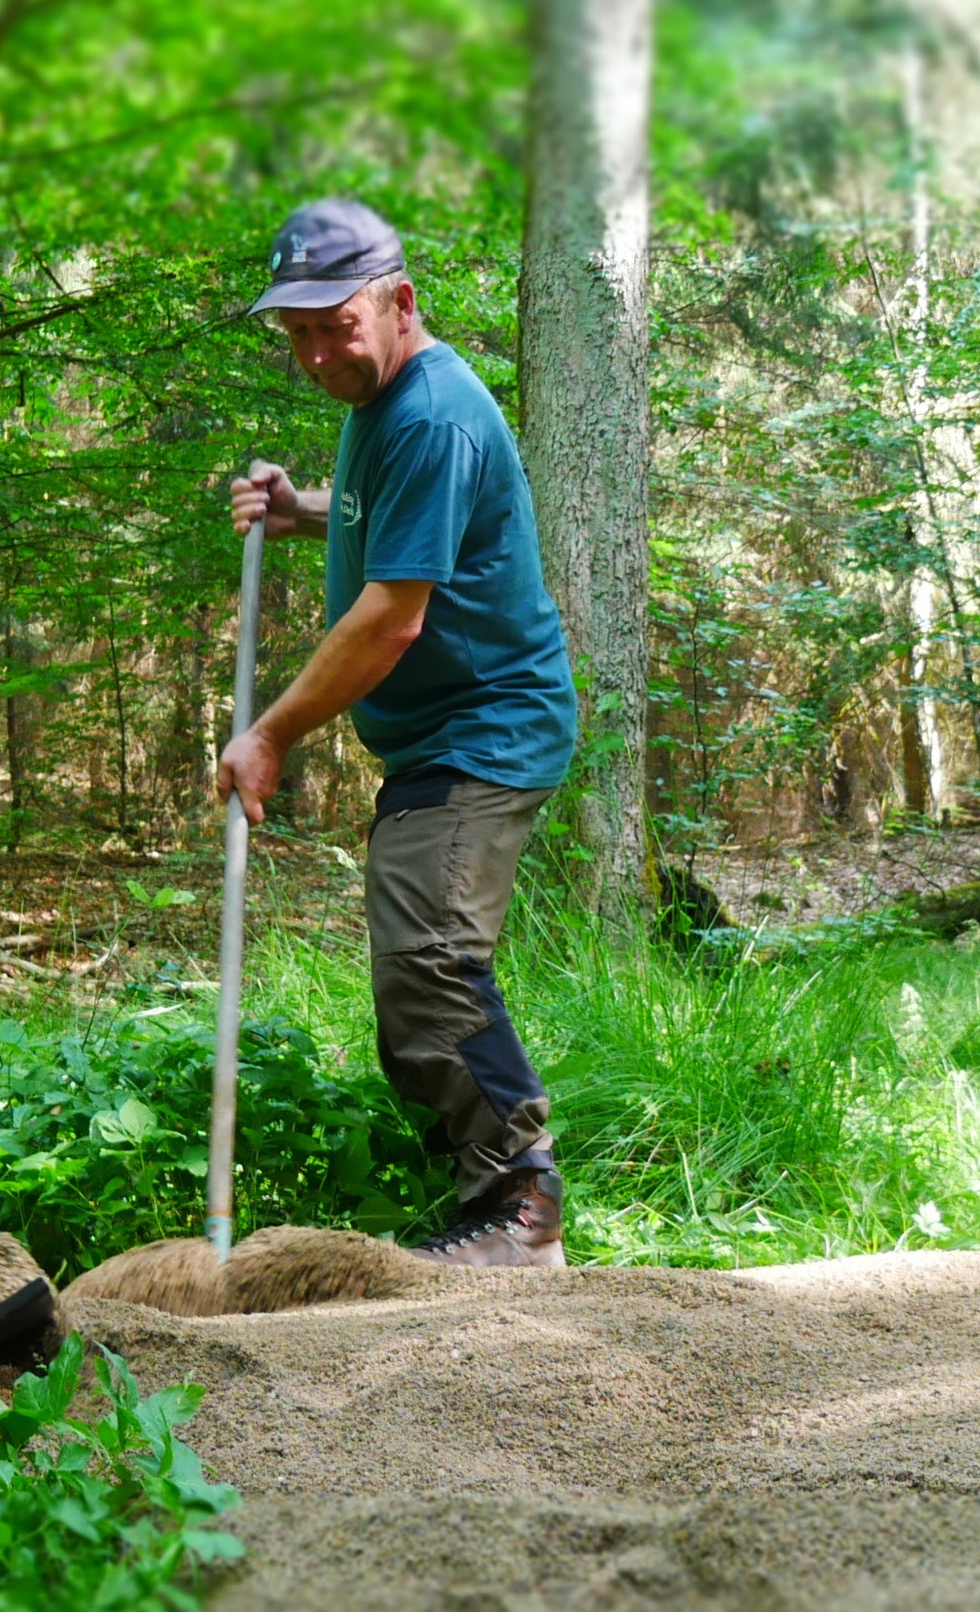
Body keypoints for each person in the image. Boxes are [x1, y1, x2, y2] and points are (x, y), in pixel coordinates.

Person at [225, 198, 578, 1267]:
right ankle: (488, 1201)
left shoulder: (428, 411)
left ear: (399, 302)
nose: (318, 351)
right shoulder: (384, 404)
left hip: (486, 728)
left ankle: (519, 1211)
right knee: (413, 972)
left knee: (430, 960)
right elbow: (401, 515)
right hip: (442, 738)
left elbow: (392, 615)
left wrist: (272, 732)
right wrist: (303, 512)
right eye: (297, 334)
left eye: (336, 324)